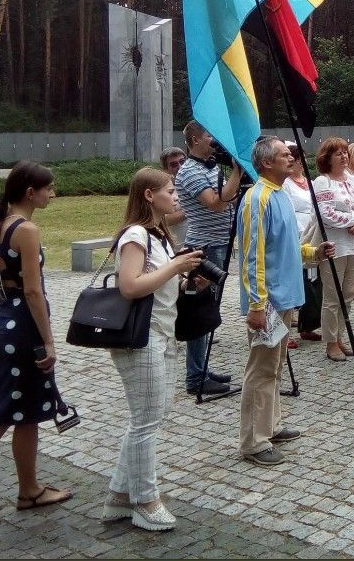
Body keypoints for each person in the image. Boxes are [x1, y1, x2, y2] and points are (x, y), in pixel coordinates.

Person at [0, 162, 72, 533]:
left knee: (24, 413)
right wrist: (48, 339)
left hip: (3, 325)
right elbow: (33, 289)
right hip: (23, 330)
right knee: (2, 415)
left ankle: (30, 490)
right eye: (49, 188)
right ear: (31, 192)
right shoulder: (26, 229)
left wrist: (6, 320)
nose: (53, 194)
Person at [101, 169, 204, 532]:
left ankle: (118, 496)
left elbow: (158, 284)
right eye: (171, 191)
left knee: (151, 416)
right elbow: (130, 286)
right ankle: (146, 500)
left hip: (162, 334)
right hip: (140, 338)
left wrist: (185, 276)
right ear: (149, 195)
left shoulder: (160, 235)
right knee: (145, 421)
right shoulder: (135, 235)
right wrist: (176, 265)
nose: (177, 196)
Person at [238, 137, 333, 466]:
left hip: (286, 297)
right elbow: (252, 256)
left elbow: (288, 245)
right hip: (268, 302)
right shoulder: (257, 198)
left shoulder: (280, 195)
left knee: (275, 367)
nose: (291, 157)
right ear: (266, 163)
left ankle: (270, 425)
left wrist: (313, 252)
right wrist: (255, 304)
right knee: (261, 369)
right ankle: (253, 441)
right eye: (283, 154)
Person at [174, 120, 241, 395]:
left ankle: (201, 368)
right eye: (209, 135)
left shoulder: (208, 168)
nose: (213, 140)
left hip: (218, 244)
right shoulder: (190, 170)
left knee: (208, 310)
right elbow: (215, 203)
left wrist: (231, 184)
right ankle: (195, 377)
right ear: (195, 140)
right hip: (204, 247)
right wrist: (237, 171)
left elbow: (230, 198)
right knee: (200, 313)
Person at [312, 137, 354, 362]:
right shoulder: (323, 182)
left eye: (346, 152)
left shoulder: (352, 180)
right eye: (338, 153)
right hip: (333, 246)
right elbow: (326, 214)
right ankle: (330, 341)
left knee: (347, 294)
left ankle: (340, 337)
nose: (344, 156)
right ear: (327, 158)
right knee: (332, 296)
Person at [282, 141, 322, 345]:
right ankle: (284, 332)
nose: (302, 163)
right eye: (299, 160)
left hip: (311, 234)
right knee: (296, 286)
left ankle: (308, 325)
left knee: (313, 284)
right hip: (296, 235)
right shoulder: (285, 184)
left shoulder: (309, 181)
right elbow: (288, 212)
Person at [159, 147, 188, 248]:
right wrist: (193, 209)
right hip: (177, 249)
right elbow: (164, 220)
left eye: (182, 162)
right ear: (165, 169)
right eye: (174, 164)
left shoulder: (196, 182)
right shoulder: (162, 190)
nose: (180, 167)